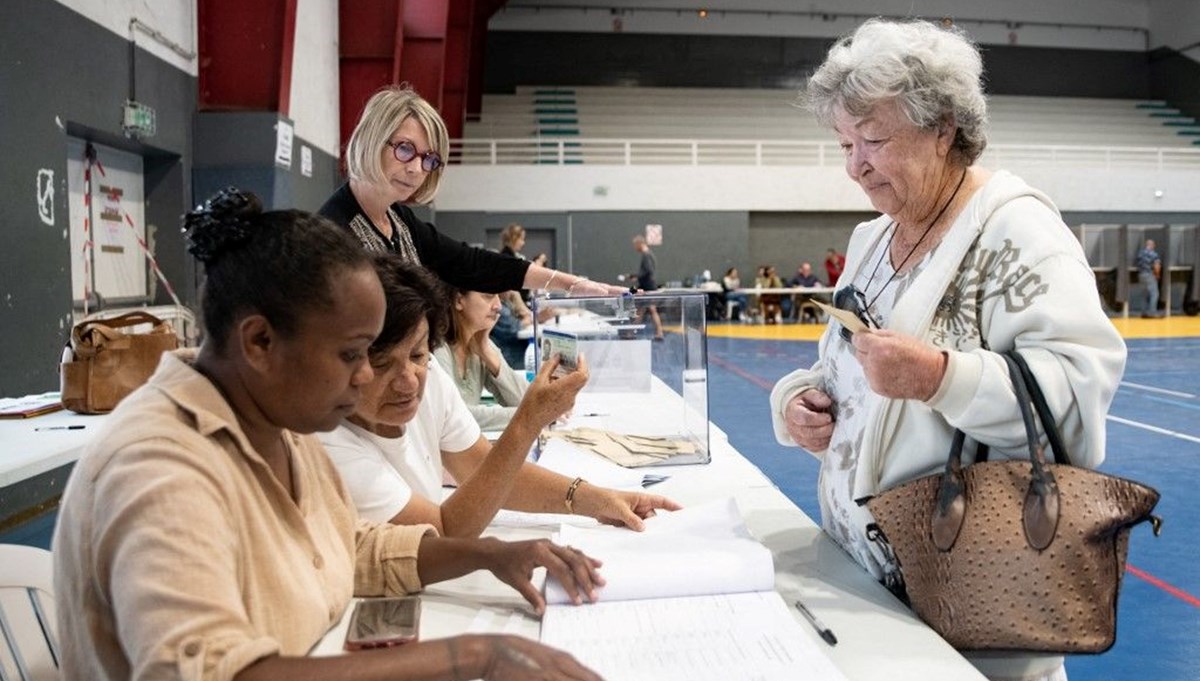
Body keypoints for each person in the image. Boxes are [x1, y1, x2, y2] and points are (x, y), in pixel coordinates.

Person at [52, 189, 604, 681]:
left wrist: (485, 555)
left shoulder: (275, 420)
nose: (364, 377)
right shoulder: (160, 470)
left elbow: (349, 546)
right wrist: (471, 657)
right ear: (260, 342)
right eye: (351, 355)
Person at [770, 19, 1125, 681]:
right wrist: (799, 403)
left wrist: (939, 378)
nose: (854, 165)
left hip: (971, 614)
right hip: (864, 588)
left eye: (874, 140)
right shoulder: (873, 238)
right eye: (844, 143)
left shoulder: (1018, 232)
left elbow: (1077, 400)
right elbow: (846, 369)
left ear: (942, 129)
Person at [321, 256, 681, 539]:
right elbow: (443, 532)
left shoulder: (432, 379)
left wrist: (598, 500)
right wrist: (528, 421)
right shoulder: (329, 447)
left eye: (417, 355)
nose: (407, 382)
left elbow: (484, 469)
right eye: (382, 364)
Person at [320, 85, 624, 298]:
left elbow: (473, 263)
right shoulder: (333, 232)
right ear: (372, 140)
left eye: (428, 159)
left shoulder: (399, 220)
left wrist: (572, 285)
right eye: (405, 149)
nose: (416, 169)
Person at [434, 286, 529, 429]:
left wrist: (486, 351)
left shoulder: (481, 343)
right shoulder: (438, 349)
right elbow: (454, 417)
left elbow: (526, 401)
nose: (498, 306)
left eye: (498, 296)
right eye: (488, 296)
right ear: (458, 300)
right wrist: (528, 415)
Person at [631, 235, 664, 340]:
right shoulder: (648, 254)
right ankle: (632, 332)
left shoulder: (646, 255)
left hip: (648, 287)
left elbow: (648, 271)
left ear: (640, 243)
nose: (634, 247)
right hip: (647, 286)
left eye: (635, 245)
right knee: (641, 310)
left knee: (650, 309)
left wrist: (637, 277)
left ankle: (659, 332)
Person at [1135, 238, 1162, 317]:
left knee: (1144, 294)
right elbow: (1157, 266)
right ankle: (1152, 312)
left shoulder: (1140, 254)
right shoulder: (1154, 254)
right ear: (1152, 245)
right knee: (1154, 294)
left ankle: (1144, 313)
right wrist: (1157, 275)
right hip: (1150, 275)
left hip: (1141, 275)